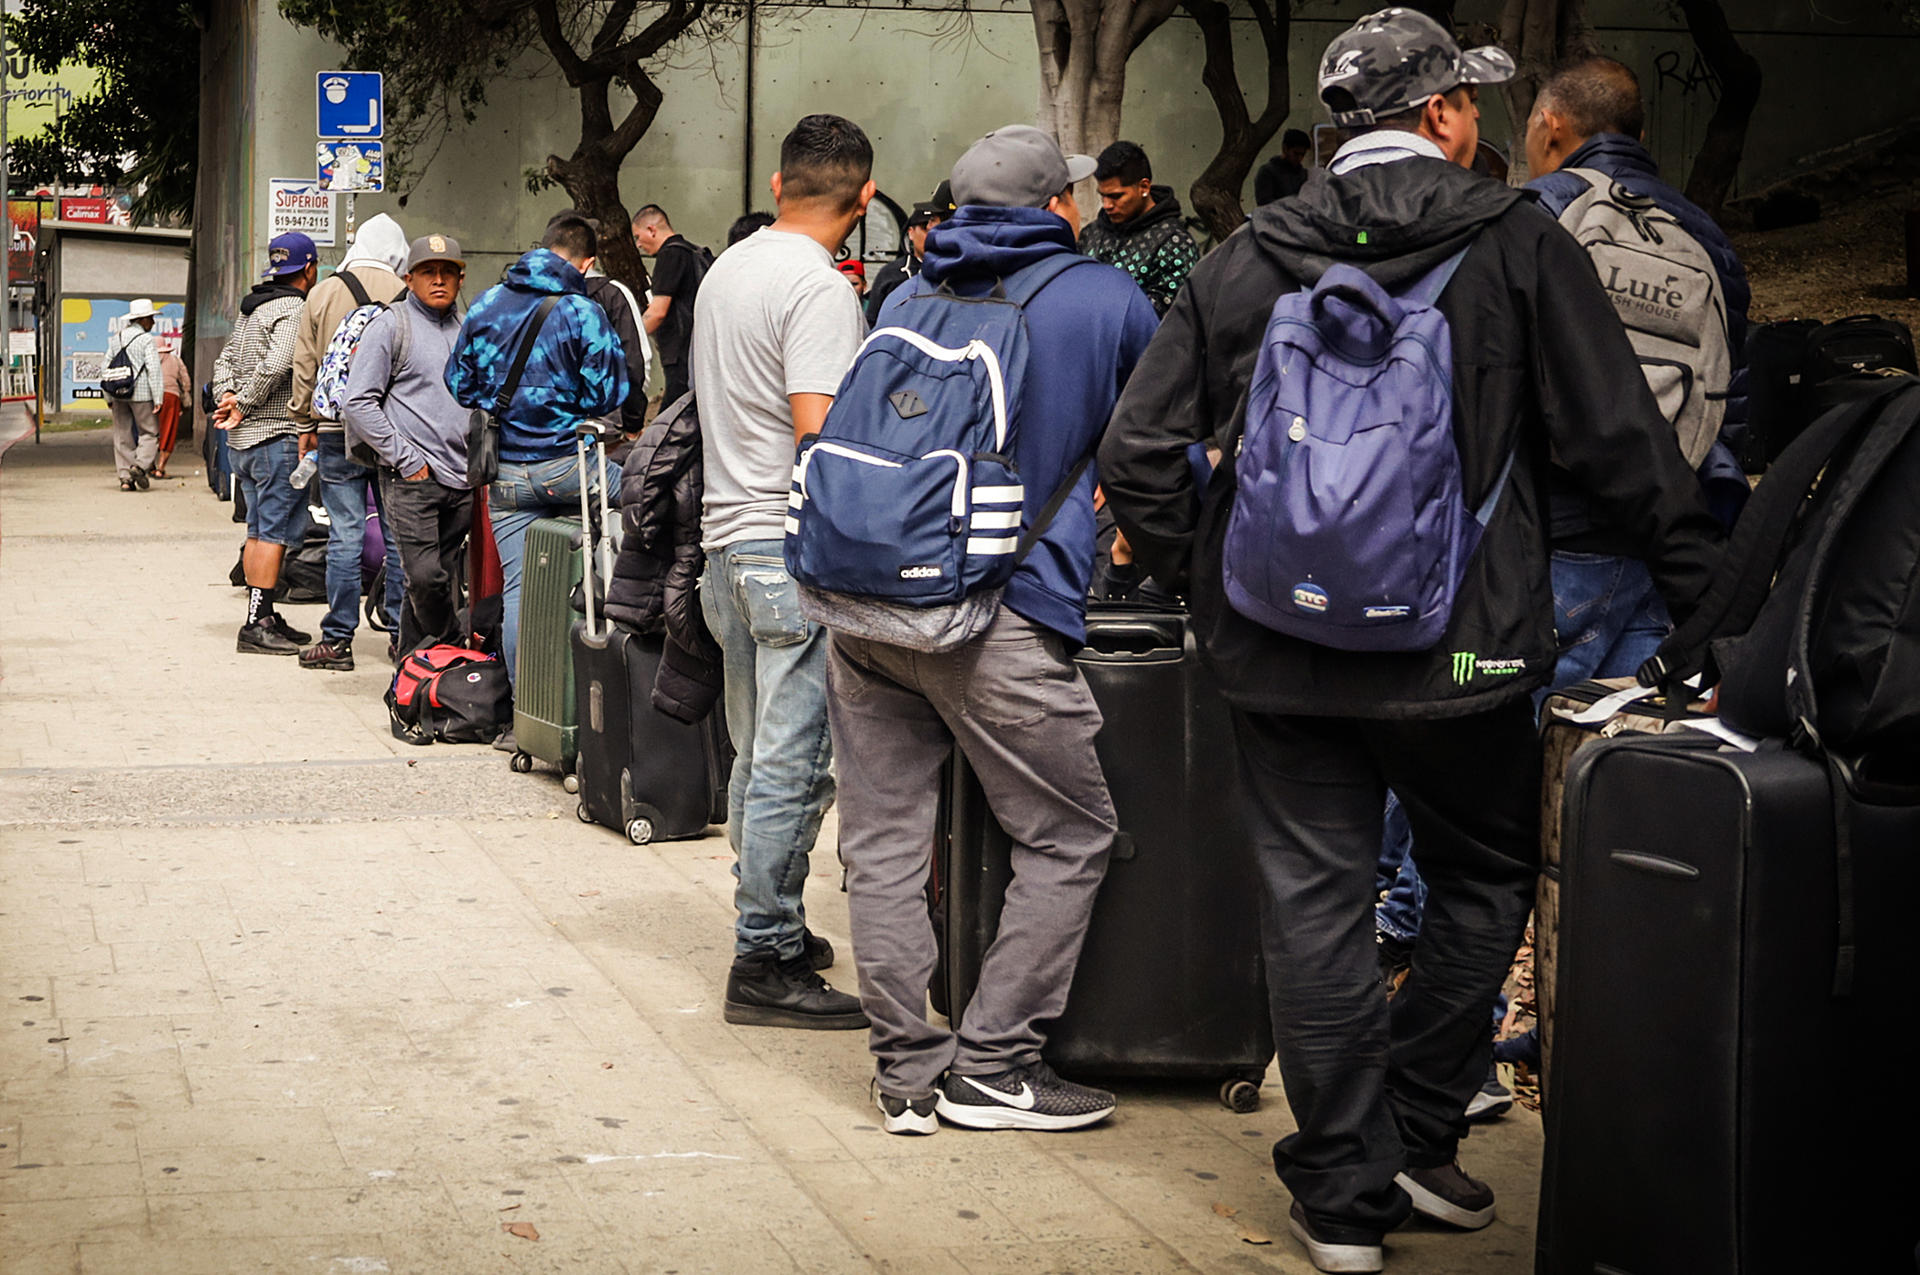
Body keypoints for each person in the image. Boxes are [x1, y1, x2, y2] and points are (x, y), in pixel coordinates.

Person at [1096, 10, 1724, 1271]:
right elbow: (1621, 443)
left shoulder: (1244, 256)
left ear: (1339, 130)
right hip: (1466, 657)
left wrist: (1207, 586)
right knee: (1485, 882)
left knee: (1314, 908)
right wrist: (1707, 602)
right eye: (1466, 105)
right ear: (1440, 116)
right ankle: (1426, 1132)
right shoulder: (1519, 243)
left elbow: (1137, 455)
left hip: (1277, 656)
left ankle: (1340, 1196)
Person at [833, 123, 1159, 1135]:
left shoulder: (905, 293)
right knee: (1068, 833)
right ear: (1059, 206)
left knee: (881, 843)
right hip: (1001, 618)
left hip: (863, 606)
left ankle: (905, 1074)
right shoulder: (1105, 299)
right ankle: (996, 1065)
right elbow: (1157, 454)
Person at [693, 113, 873, 1030]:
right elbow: (820, 435)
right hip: (784, 555)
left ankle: (775, 926)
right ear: (865, 197)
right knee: (796, 770)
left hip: (726, 547)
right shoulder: (819, 288)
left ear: (777, 185)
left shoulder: (730, 268)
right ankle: (763, 956)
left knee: (759, 755)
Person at [1525, 52, 1753, 684]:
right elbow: (1729, 393)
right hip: (1668, 544)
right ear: (1641, 137)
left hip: (1557, 536)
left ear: (1550, 126)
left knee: (1497, 746)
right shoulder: (1703, 232)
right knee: (1620, 745)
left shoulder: (1535, 216)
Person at [447, 213, 629, 709]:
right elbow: (611, 391)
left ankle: (525, 718)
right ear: (586, 262)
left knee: (518, 601)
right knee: (643, 497)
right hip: (571, 466)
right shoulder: (581, 311)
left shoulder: (487, 304)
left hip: (504, 475)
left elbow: (460, 384)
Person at [344, 235, 475, 664]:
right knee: (424, 576)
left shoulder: (468, 328)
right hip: (411, 479)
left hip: (462, 479)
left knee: (446, 575)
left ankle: (418, 670)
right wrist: (407, 458)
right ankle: (452, 643)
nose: (438, 280)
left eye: (447, 272)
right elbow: (358, 402)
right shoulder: (390, 324)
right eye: (427, 272)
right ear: (409, 278)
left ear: (460, 277)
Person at [288, 212, 410, 672]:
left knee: (345, 533)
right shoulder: (406, 292)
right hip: (389, 431)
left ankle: (337, 641)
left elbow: (305, 365)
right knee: (398, 537)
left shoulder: (323, 291)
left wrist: (305, 425)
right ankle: (401, 635)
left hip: (336, 431)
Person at [213, 232, 323, 656]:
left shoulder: (251, 308)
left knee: (259, 529)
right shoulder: (294, 307)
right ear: (309, 269)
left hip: (242, 444)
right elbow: (280, 363)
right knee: (274, 534)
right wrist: (244, 401)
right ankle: (257, 623)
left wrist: (228, 398)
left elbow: (224, 361)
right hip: (275, 436)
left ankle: (266, 613)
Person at [549, 209, 651, 439]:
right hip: (602, 429)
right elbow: (635, 362)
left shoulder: (528, 296)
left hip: (544, 429)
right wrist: (633, 421)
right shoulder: (613, 294)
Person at [1077, 141, 1200, 316]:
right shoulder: (1091, 234)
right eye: (1102, 196)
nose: (1106, 205)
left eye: (1116, 196)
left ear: (1144, 187)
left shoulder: (1176, 245)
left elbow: (1172, 317)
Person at [632, 204, 712, 406]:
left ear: (652, 230)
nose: (639, 244)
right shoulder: (694, 252)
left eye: (638, 236)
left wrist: (631, 339)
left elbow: (657, 312)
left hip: (680, 351)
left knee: (672, 419)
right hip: (700, 348)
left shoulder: (670, 255)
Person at [864, 179, 952, 323]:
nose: (930, 230)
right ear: (911, 232)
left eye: (933, 221)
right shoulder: (892, 274)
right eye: (924, 226)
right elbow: (873, 322)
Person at [105, 299, 164, 491]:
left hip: (119, 394)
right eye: (151, 319)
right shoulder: (146, 340)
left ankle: (125, 479)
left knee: (122, 435)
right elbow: (154, 369)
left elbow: (105, 367)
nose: (153, 323)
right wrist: (158, 398)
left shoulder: (116, 339)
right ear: (144, 320)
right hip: (142, 395)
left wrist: (108, 397)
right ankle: (139, 466)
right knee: (149, 432)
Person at [154, 345, 191, 480]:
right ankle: (161, 467)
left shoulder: (150, 359)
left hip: (151, 398)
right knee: (169, 431)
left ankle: (147, 465)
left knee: (150, 432)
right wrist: (186, 392)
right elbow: (185, 380)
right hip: (171, 397)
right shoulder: (175, 360)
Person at [1254, 129, 1313, 205]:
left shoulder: (1303, 174)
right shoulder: (1267, 172)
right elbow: (1264, 204)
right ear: (1285, 149)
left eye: (1302, 155)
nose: (1299, 158)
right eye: (1296, 154)